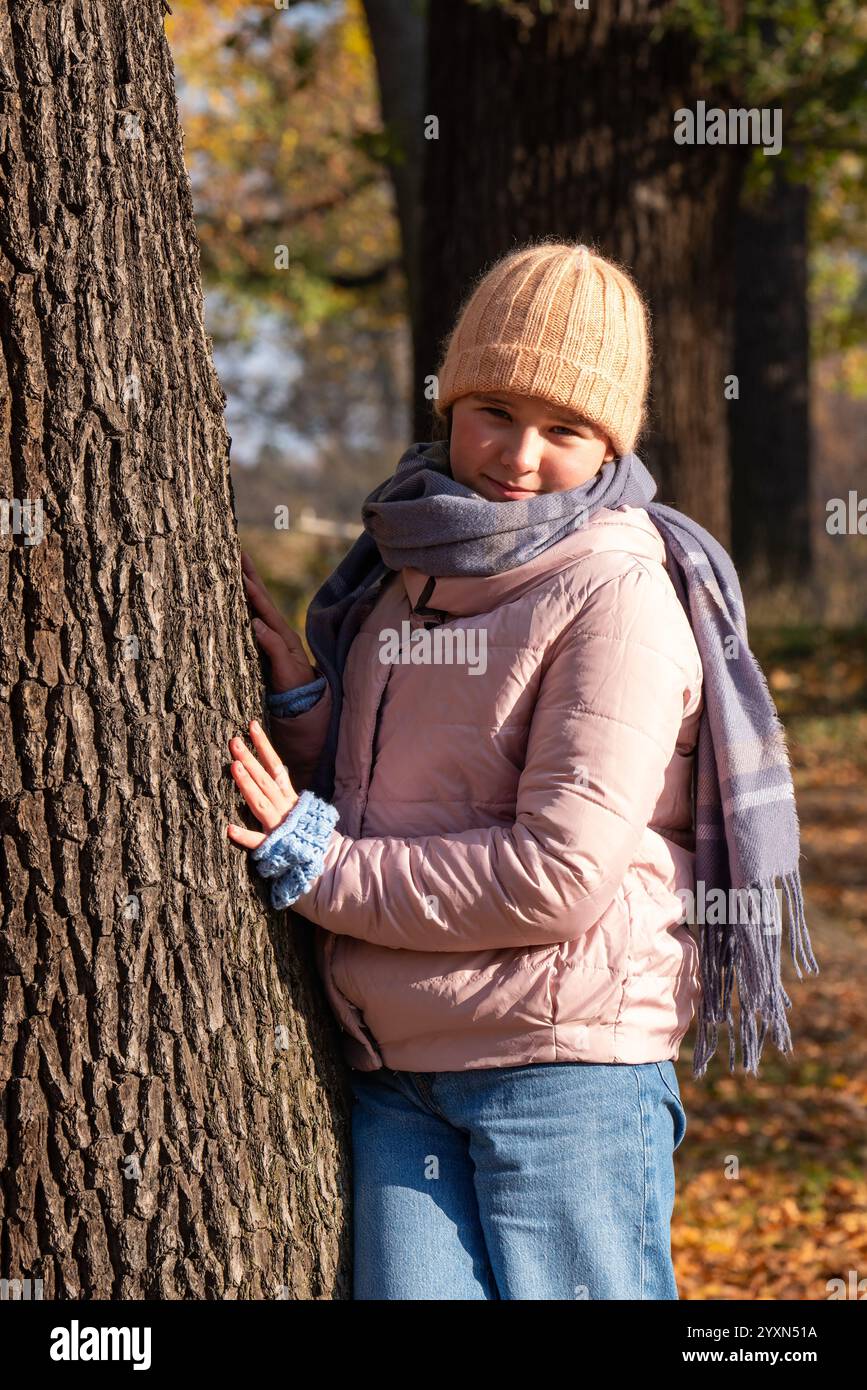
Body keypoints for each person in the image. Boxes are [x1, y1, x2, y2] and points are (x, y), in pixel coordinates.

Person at [225, 239, 817, 1300]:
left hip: (564, 1069)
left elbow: (557, 871)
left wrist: (320, 869)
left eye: (566, 428)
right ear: (450, 401)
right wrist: (305, 713)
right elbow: (397, 794)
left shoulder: (617, 597)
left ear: (610, 444)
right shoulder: (409, 573)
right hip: (399, 1067)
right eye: (494, 409)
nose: (518, 454)